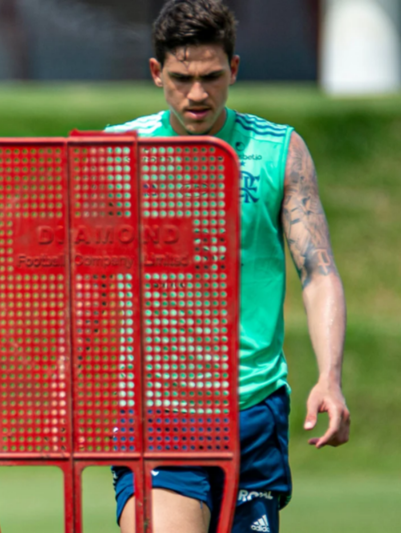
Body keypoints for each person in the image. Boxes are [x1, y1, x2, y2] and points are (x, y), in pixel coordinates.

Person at [105, 2, 349, 532]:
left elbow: (318, 272)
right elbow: (90, 278)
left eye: (212, 76)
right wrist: (65, 376)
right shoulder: (119, 152)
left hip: (253, 407)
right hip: (158, 407)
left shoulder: (279, 151)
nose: (197, 94)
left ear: (233, 69)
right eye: (182, 78)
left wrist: (329, 377)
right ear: (156, 73)